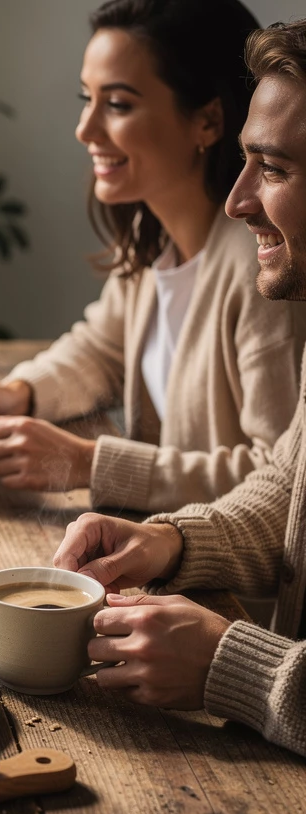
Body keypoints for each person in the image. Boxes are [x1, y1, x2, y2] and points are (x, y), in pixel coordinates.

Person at [0, 0, 306, 514]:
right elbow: (103, 347)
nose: (85, 129)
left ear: (208, 121)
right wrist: (17, 393)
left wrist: (90, 463)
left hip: (223, 588)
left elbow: (280, 479)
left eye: (119, 104)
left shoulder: (262, 267)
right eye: (88, 98)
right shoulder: (155, 242)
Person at [52, 17, 306, 759]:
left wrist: (233, 665)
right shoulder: (159, 244)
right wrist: (168, 539)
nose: (240, 201)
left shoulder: (262, 284)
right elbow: (284, 494)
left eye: (276, 169)